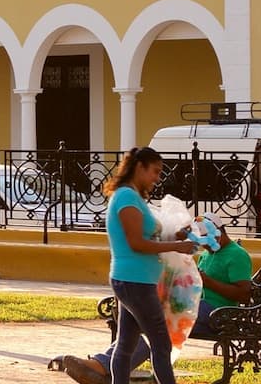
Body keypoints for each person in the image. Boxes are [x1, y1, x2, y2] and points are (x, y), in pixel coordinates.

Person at [84, 224, 252, 381]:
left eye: (206, 240)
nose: (204, 246)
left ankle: (104, 367)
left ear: (219, 233)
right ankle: (105, 366)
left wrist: (208, 282)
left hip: (218, 314)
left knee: (156, 323)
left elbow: (244, 294)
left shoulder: (237, 255)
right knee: (149, 320)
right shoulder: (208, 254)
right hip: (196, 306)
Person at [96, 147, 197, 384]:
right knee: (161, 343)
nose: (157, 178)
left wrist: (177, 239)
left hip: (135, 280)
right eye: (155, 171)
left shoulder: (131, 196)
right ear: (139, 167)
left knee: (126, 345)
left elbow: (148, 240)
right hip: (134, 281)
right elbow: (137, 243)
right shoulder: (126, 197)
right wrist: (175, 247)